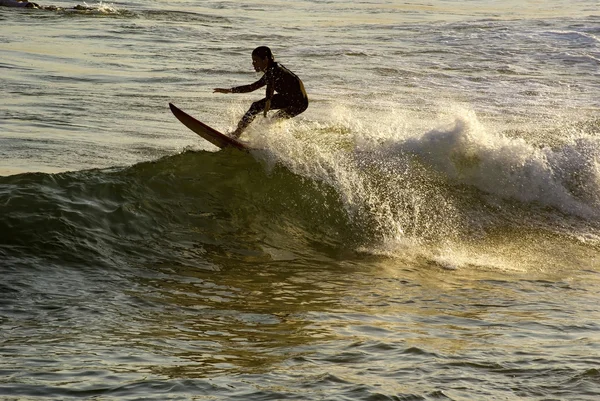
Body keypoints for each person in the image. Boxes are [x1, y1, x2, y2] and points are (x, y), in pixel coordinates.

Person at [214, 46, 308, 138]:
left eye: (256, 60)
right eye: (253, 60)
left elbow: (270, 85)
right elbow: (252, 87)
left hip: (298, 103)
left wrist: (268, 100)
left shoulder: (275, 70)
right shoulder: (271, 71)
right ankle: (265, 139)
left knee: (257, 107)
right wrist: (229, 91)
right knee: (272, 118)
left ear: (265, 59)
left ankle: (237, 134)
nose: (253, 63)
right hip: (288, 98)